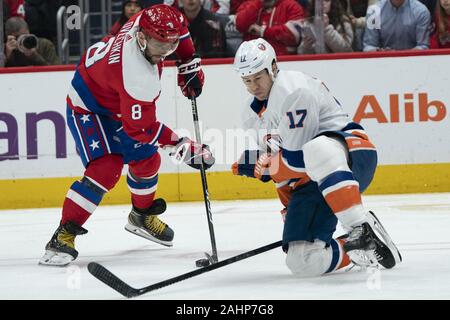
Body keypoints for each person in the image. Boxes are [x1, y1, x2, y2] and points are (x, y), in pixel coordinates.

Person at [39, 4, 214, 266]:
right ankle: (62, 235)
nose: (167, 51)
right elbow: (141, 129)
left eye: (171, 45)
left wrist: (187, 60)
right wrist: (182, 145)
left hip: (115, 98)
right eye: (160, 45)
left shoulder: (146, 21)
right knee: (105, 169)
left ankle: (141, 216)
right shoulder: (136, 74)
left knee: (147, 159)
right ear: (142, 38)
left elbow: (179, 31)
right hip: (89, 106)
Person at [232, 38, 402, 277]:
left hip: (350, 155)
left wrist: (262, 167)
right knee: (302, 262)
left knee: (316, 150)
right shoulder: (250, 115)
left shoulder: (294, 90)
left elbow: (296, 159)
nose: (253, 86)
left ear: (272, 67)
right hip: (310, 180)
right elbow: (283, 174)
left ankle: (360, 227)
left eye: (257, 78)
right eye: (247, 81)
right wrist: (289, 208)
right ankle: (360, 252)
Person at [235, 0, 305, 55]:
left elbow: (294, 35)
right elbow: (240, 24)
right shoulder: (250, 5)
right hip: (252, 60)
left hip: (283, 61)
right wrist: (258, 2)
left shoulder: (291, 5)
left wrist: (263, 31)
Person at [363, 0, 431, 51]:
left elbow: (423, 46)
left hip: (413, 62)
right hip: (382, 61)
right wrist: (380, 52)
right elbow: (369, 45)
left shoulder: (421, 12)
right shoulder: (373, 12)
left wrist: (399, 56)